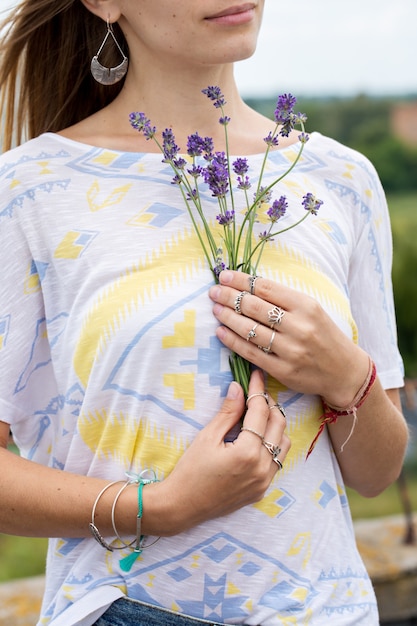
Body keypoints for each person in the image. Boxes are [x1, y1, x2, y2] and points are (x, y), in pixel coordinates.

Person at [0, 1, 409, 625]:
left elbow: (376, 474)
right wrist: (160, 507)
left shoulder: (341, 180)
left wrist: (347, 377)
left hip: (326, 611)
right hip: (130, 611)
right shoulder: (30, 191)